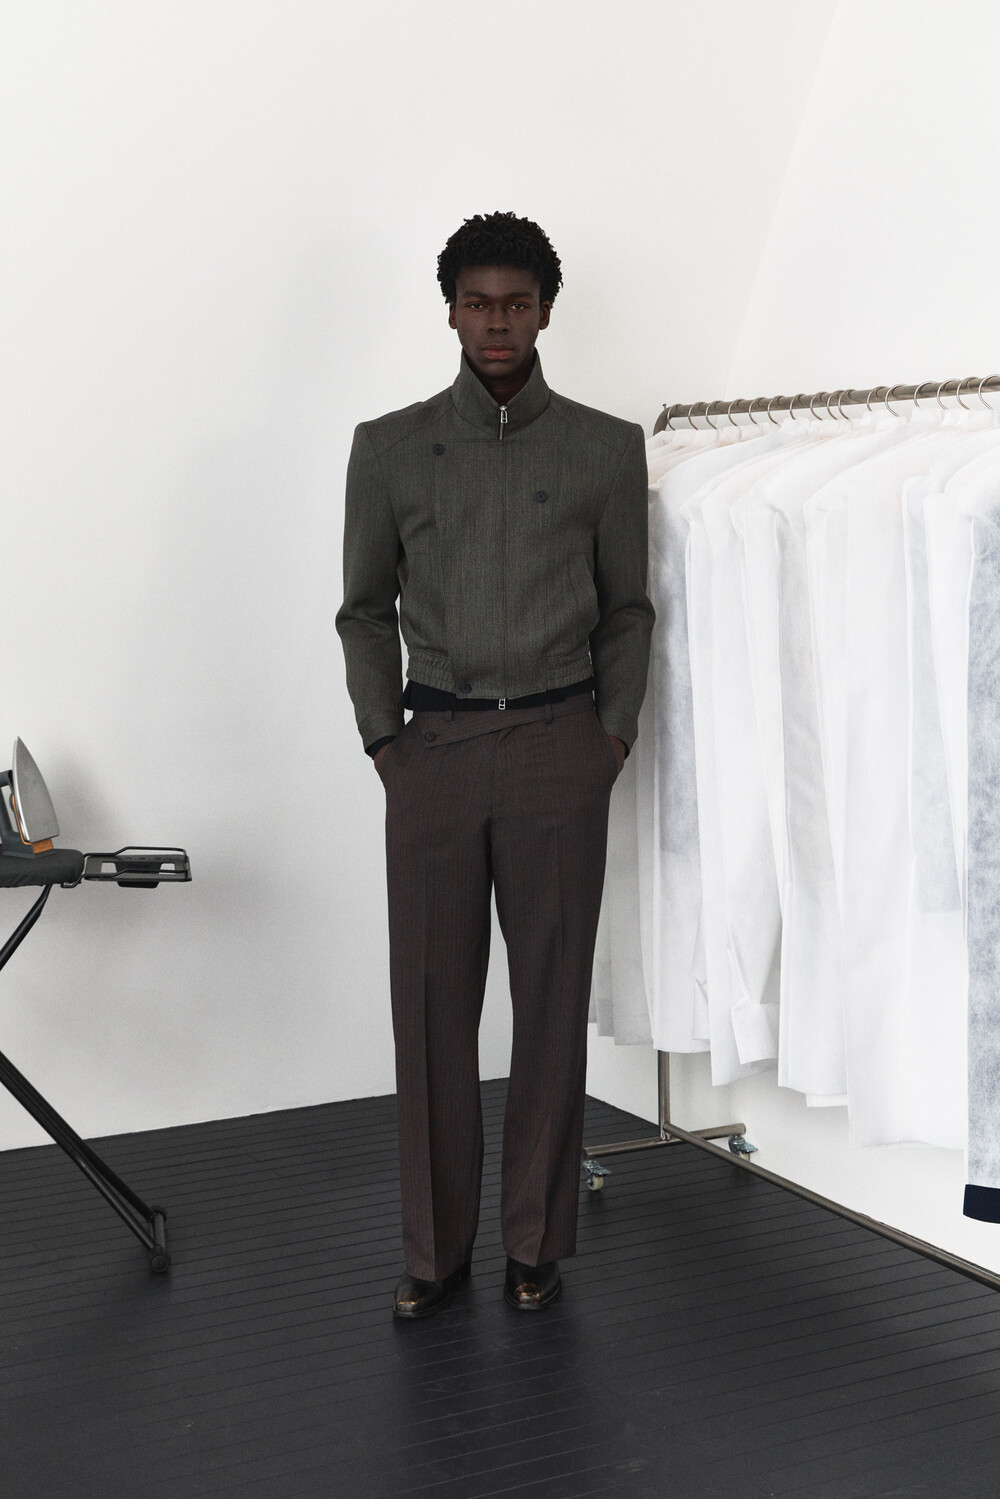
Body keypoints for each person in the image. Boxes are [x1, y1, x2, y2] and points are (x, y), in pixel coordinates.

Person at [336, 211, 653, 1318]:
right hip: (434, 750)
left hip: (561, 747)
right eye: (478, 303)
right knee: (430, 1004)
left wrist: (608, 738)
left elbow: (627, 611)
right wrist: (387, 740)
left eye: (516, 303)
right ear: (452, 313)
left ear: (546, 311)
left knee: (551, 1002)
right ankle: (433, 1252)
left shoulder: (606, 448)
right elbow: (362, 611)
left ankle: (536, 1242)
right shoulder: (389, 446)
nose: (498, 322)